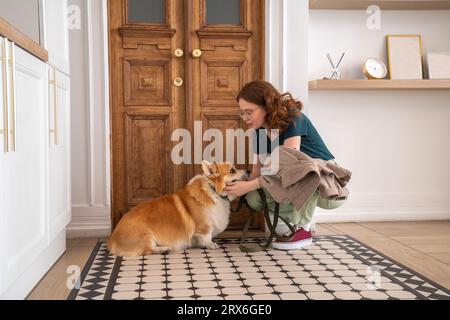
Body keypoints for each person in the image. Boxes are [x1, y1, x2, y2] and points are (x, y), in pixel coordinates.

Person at [224, 80, 345, 250]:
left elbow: (290, 167)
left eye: (249, 112)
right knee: (254, 198)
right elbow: (257, 172)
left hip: (327, 184)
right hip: (291, 178)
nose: (244, 118)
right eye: (241, 112)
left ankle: (303, 228)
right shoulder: (259, 131)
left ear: (266, 107)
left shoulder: (294, 118)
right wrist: (239, 188)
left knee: (304, 171)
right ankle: (299, 217)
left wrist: (249, 185)